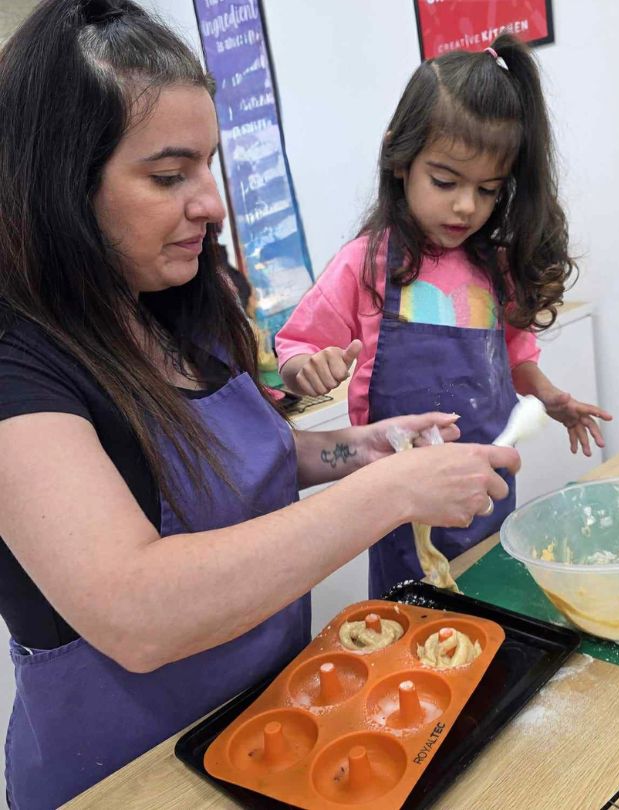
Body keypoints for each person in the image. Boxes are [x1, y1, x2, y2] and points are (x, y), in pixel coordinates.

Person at [0, 2, 519, 806]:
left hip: (266, 725)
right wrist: (390, 496)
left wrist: (361, 450)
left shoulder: (178, 299)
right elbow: (136, 612)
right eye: (170, 176)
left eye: (209, 166)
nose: (210, 204)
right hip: (125, 777)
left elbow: (233, 459)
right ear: (59, 183)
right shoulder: (18, 362)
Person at [276, 34, 612, 598]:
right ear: (400, 159)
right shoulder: (367, 262)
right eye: (445, 181)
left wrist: (551, 397)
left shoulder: (495, 268)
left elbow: (514, 359)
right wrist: (304, 368)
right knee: (418, 621)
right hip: (398, 505)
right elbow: (295, 348)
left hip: (487, 490)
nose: (465, 206)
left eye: (487, 190)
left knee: (493, 605)